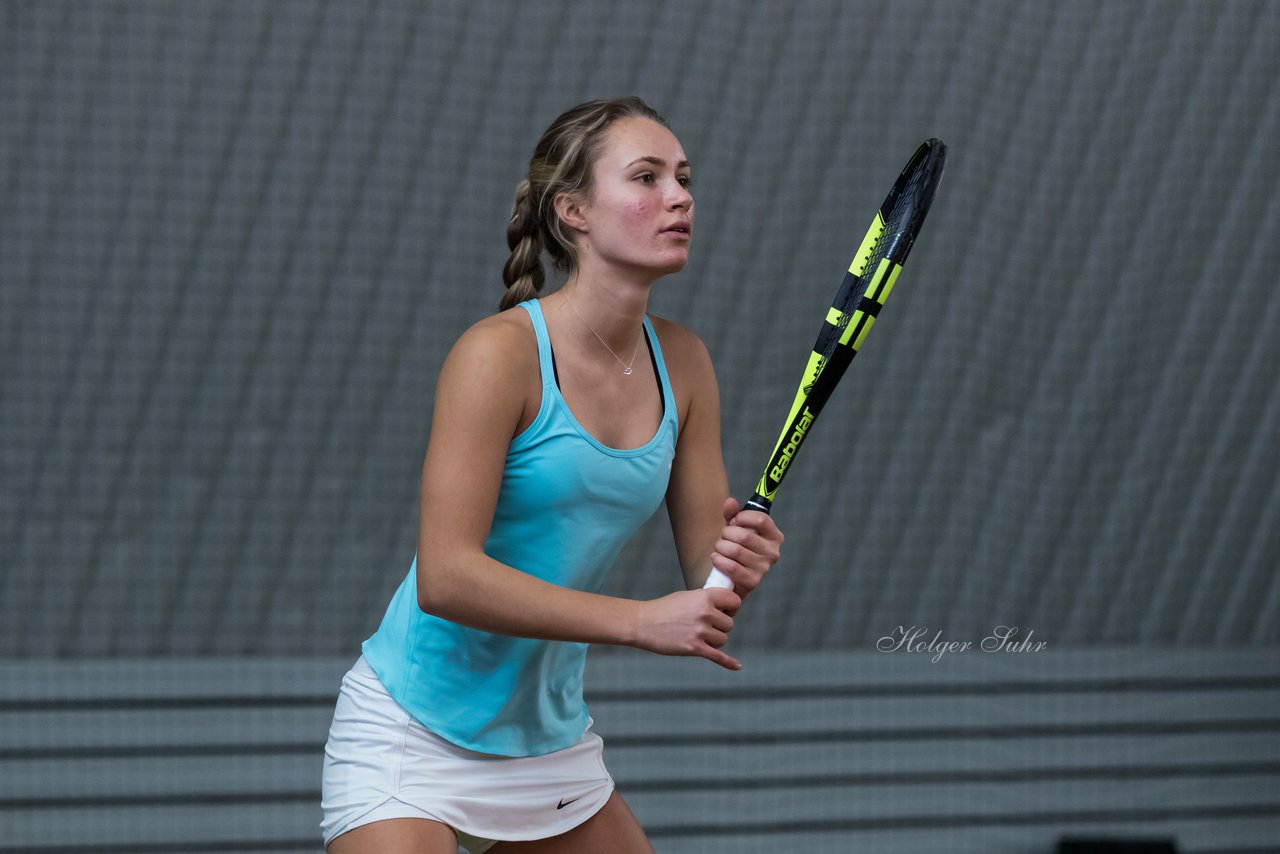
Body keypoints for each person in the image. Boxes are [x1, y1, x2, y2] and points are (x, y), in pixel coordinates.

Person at [321, 97, 784, 853]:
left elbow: (708, 580)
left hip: (545, 744)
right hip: (411, 730)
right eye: (646, 177)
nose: (680, 196)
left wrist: (741, 562)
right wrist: (639, 622)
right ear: (574, 211)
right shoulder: (497, 355)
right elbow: (447, 576)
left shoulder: (686, 362)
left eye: (684, 178)